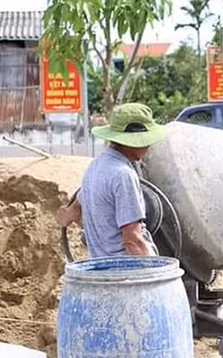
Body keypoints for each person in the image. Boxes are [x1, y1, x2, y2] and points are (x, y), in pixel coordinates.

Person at [56, 103, 167, 258]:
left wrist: (64, 216)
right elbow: (133, 241)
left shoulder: (95, 166)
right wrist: (155, 274)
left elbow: (74, 210)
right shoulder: (123, 175)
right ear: (131, 141)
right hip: (125, 270)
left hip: (101, 267)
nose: (149, 144)